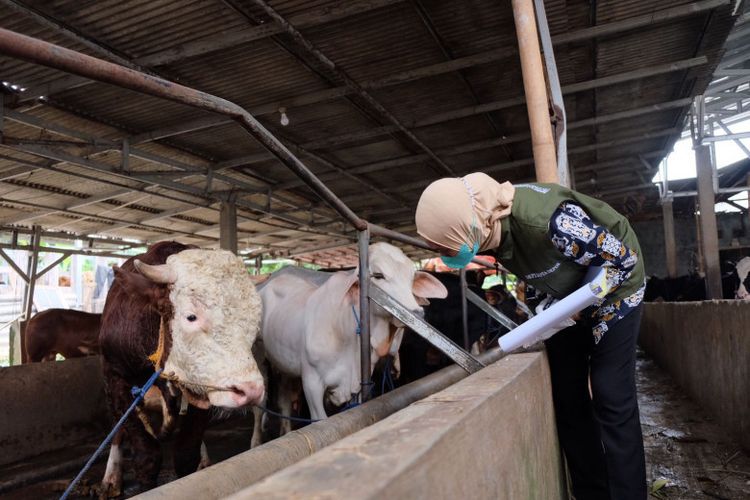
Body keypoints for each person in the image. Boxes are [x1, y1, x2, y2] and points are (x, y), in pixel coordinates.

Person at [415, 172, 647, 500]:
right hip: (568, 300)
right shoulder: (490, 229)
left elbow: (622, 261)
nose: (444, 255)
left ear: (463, 226)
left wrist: (579, 302)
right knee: (568, 395)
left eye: (444, 245)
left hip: (617, 288)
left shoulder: (551, 222)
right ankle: (592, 493)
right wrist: (549, 311)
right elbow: (540, 272)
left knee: (610, 392)